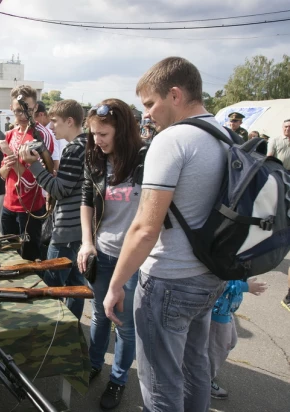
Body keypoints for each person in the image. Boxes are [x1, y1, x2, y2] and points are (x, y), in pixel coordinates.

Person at [103, 57, 229, 412]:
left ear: (174, 94)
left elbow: (145, 227)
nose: (146, 114)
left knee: (160, 383)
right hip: (210, 275)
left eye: (149, 103)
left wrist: (115, 285)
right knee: (195, 369)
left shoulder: (172, 140)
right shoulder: (225, 134)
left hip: (169, 280)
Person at [75, 99, 144, 410]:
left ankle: (118, 380)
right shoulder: (94, 159)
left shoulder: (146, 158)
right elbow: (87, 201)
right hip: (103, 253)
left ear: (123, 130)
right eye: (93, 133)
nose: (96, 140)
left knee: (125, 324)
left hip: (134, 259)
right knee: (101, 314)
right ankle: (93, 365)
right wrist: (86, 242)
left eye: (103, 134)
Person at [19, 99, 87, 318]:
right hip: (79, 228)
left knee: (51, 285)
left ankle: (54, 330)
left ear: (69, 121)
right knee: (76, 284)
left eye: (55, 122)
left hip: (67, 228)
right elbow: (70, 185)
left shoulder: (74, 149)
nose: (51, 127)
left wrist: (34, 166)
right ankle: (72, 326)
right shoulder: (87, 144)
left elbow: (59, 190)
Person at [0, 85, 54, 261]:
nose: (23, 116)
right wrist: (8, 165)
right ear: (11, 109)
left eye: (28, 110)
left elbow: (33, 181)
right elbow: (2, 174)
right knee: (8, 256)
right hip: (8, 204)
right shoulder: (10, 134)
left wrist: (12, 158)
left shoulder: (41, 135)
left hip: (30, 208)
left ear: (36, 107)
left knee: (30, 258)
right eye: (17, 111)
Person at [209, 278, 267, 399]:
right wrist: (245, 286)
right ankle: (204, 381)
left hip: (227, 310)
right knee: (216, 350)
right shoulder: (221, 262)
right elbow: (218, 283)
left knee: (230, 342)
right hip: (217, 312)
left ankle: (205, 373)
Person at [267, 119, 290, 311]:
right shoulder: (275, 139)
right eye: (286, 126)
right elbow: (270, 157)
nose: (288, 129)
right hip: (278, 175)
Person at [35, 100, 65, 168]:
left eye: (32, 118)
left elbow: (55, 162)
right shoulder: (54, 130)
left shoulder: (50, 132)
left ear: (41, 114)